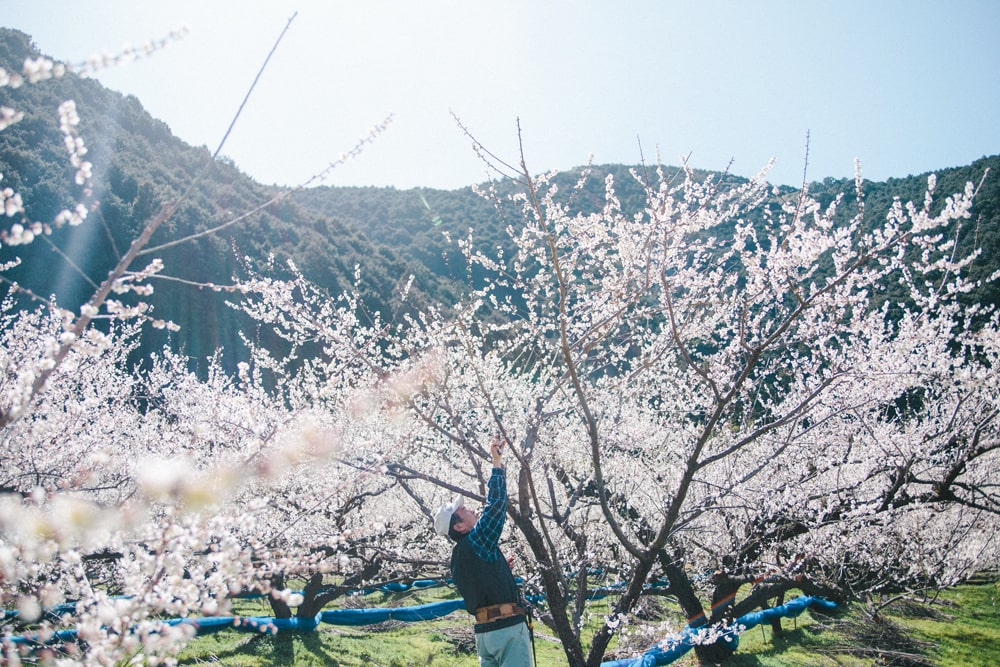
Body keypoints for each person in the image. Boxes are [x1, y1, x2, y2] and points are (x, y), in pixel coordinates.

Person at [433, 435, 533, 666]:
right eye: (465, 510)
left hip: (484, 634)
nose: (472, 511)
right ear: (459, 526)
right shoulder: (477, 539)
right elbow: (496, 506)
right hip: (507, 629)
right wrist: (496, 464)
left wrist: (498, 571)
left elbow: (478, 583)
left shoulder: (457, 557)